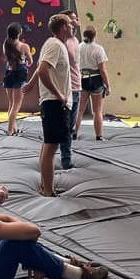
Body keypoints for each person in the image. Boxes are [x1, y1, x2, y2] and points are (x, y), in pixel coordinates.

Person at [21, 14, 72, 196]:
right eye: (70, 24)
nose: (73, 27)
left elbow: (40, 67)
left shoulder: (56, 44)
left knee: (49, 145)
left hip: (54, 101)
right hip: (54, 102)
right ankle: (48, 190)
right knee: (51, 147)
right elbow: (43, 70)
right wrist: (59, 95)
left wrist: (32, 83)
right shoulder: (54, 45)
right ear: (63, 27)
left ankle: (46, 186)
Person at [73, 25, 110, 141]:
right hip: (95, 80)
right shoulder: (98, 49)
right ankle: (99, 136)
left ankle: (74, 133)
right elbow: (102, 70)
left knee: (80, 109)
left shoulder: (78, 47)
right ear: (95, 36)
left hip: (82, 79)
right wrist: (108, 85)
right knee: (97, 110)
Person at [56, 10, 82, 169]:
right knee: (65, 126)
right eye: (72, 19)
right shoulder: (60, 42)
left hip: (76, 85)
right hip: (67, 88)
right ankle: (66, 159)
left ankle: (65, 154)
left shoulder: (75, 40)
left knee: (70, 126)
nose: (76, 21)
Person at [2, 22, 32, 136]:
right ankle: (10, 129)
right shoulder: (24, 46)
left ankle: (14, 128)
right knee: (16, 105)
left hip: (9, 73)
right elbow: (30, 61)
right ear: (19, 33)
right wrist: (26, 64)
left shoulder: (5, 44)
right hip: (19, 73)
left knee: (11, 103)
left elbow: (8, 59)